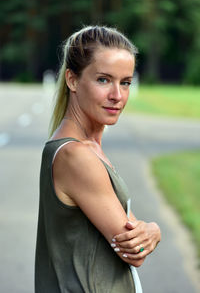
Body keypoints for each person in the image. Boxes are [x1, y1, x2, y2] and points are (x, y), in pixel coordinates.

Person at [35, 25, 161, 293]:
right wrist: (153, 231)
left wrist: (150, 230)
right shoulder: (76, 155)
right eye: (104, 80)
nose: (117, 95)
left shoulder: (85, 149)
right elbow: (135, 250)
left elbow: (129, 227)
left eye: (125, 82)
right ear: (72, 80)